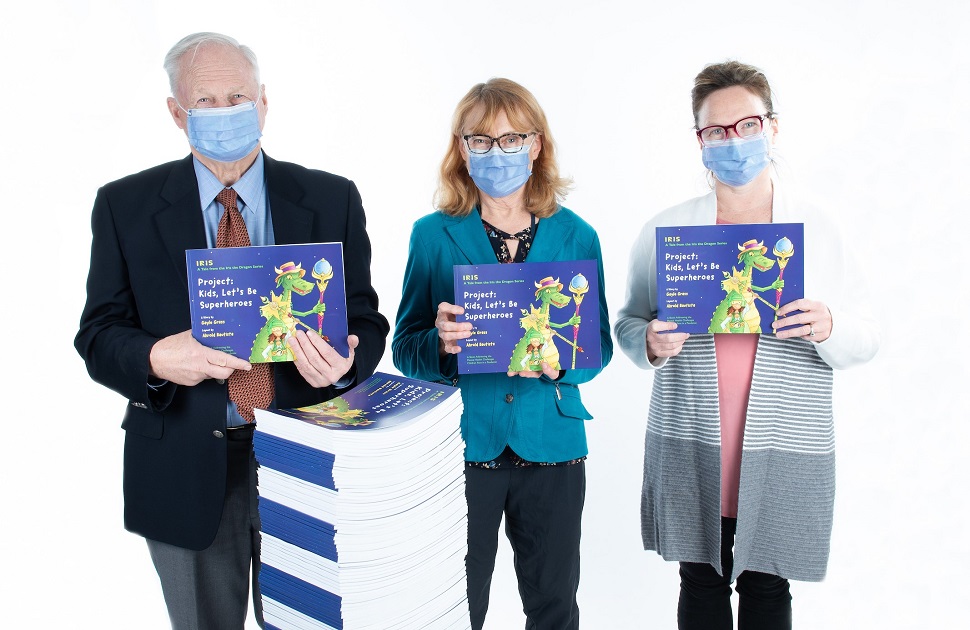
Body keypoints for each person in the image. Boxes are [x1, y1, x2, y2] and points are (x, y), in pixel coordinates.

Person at [74, 32, 389, 629]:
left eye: (238, 96)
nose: (225, 112)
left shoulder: (331, 197)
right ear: (176, 112)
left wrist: (348, 361)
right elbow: (98, 334)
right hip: (182, 462)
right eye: (206, 101)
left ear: (264, 102)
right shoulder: (125, 205)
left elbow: (366, 317)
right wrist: (156, 358)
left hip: (304, 458)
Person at [614, 60, 880, 629]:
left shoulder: (816, 226)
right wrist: (653, 344)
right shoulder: (669, 231)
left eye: (748, 125)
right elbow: (629, 325)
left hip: (781, 441)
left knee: (767, 585)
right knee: (700, 580)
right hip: (694, 438)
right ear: (699, 142)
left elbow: (869, 336)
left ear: (772, 128)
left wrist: (830, 323)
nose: (733, 141)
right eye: (716, 131)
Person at [392, 78, 612, 630]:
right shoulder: (434, 235)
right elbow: (404, 347)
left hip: (553, 442)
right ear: (462, 150)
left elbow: (599, 347)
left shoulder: (577, 235)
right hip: (464, 445)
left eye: (513, 139)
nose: (498, 153)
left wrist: (563, 360)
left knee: (554, 606)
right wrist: (439, 345)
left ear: (536, 146)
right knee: (460, 606)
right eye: (482, 141)